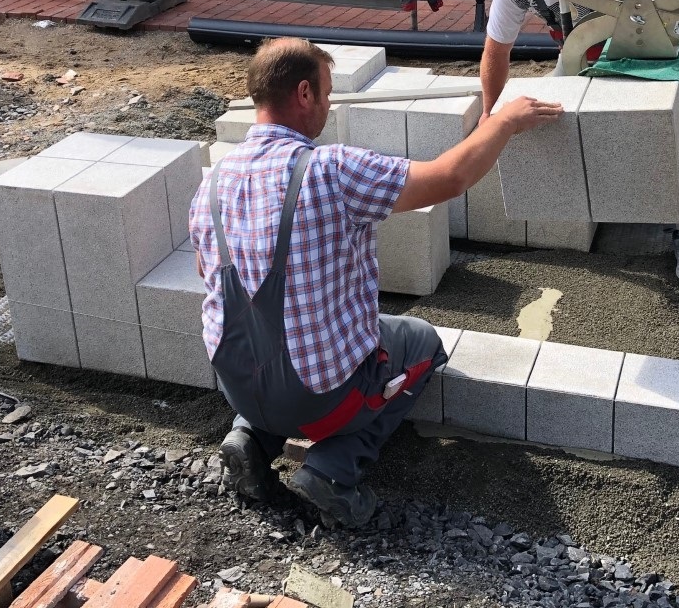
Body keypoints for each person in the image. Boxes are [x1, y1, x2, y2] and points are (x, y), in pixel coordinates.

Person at [189, 38, 562, 528]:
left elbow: (212, 277)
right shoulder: (331, 171)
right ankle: (334, 470)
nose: (327, 105)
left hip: (236, 383)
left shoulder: (211, 184)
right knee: (421, 342)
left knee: (277, 336)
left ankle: (252, 439)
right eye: (325, 93)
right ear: (303, 94)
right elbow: (449, 178)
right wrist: (504, 120)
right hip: (317, 398)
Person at [478, 0, 679, 285]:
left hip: (648, 48)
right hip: (583, 52)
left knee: (666, 127)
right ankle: (587, 201)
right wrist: (488, 115)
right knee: (550, 111)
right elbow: (496, 50)